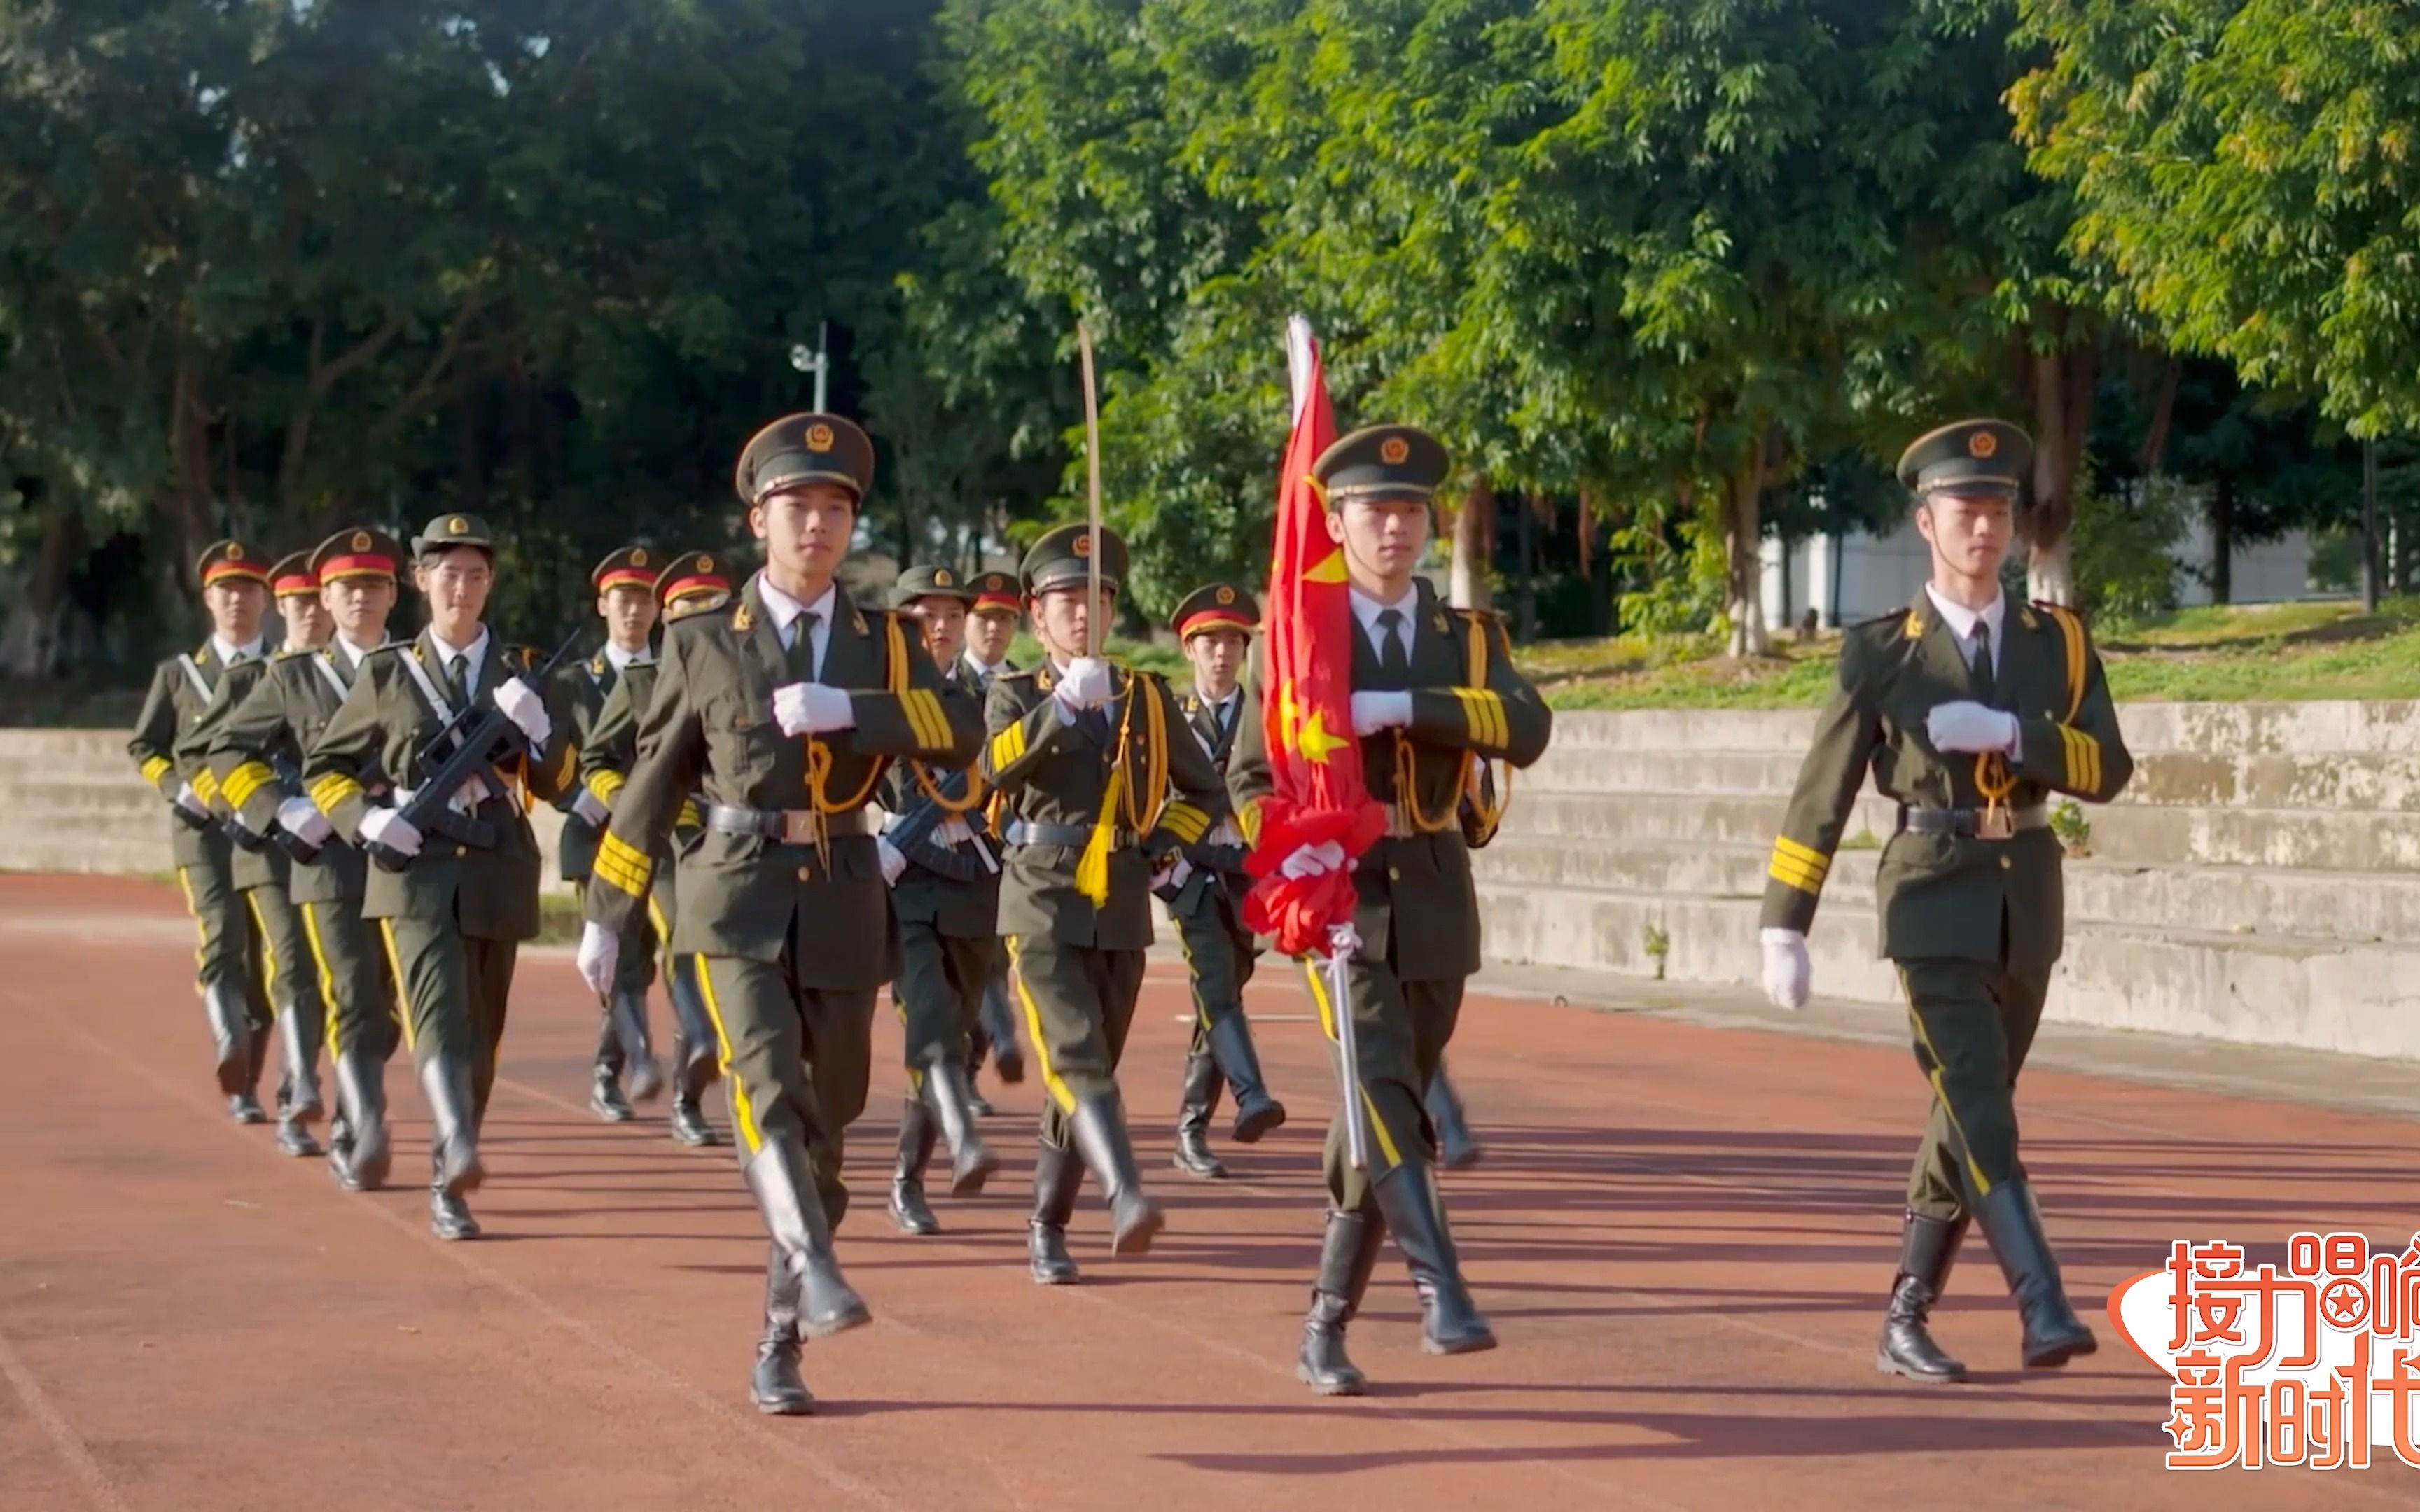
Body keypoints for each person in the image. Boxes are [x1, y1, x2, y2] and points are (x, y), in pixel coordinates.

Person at [571, 413, 981, 1415]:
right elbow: (655, 779)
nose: (818, 527)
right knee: (765, 1086)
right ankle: (825, 1272)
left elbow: (962, 734)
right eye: (799, 508)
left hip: (842, 894)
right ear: (760, 519)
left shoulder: (882, 641)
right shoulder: (706, 639)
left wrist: (859, 714)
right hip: (732, 892)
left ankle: (781, 1326)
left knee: (829, 1117)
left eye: (836, 510)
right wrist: (607, 909)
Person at [1757, 419, 2132, 1382]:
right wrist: (1783, 924)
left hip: (2025, 899)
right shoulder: (1884, 651)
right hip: (1929, 896)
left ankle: (1905, 1315)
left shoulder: (2060, 644)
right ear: (1926, 522)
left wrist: (2016, 732)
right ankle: (2042, 1302)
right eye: (1966, 510)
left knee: (1967, 1112)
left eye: (1999, 510)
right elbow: (1825, 789)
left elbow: (2110, 767)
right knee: (1978, 1104)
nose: (1986, 528)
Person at [1228, 424, 1552, 1396]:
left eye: (1411, 511)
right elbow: (1246, 776)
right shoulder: (1293, 637)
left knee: (1385, 1114)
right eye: (1375, 511)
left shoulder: (1467, 638)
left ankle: (1324, 1325)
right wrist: (1295, 846)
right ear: (1335, 522)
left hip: (1438, 889)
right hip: (1340, 899)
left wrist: (1418, 707)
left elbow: (1527, 727)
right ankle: (1440, 1289)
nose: (1396, 528)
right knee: (1377, 1090)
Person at [302, 512, 578, 1241]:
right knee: (437, 1014)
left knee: (482, 1035)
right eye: (448, 573)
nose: (463, 587)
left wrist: (543, 730)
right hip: (414, 874)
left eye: (476, 575)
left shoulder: (522, 668)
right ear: (421, 582)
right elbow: (325, 768)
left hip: (497, 868)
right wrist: (364, 820)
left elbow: (559, 781)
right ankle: (456, 1147)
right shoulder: (390, 672)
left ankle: (450, 1168)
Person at [977, 524, 1228, 1283]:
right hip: (1041, 894)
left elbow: (1206, 789)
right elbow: (987, 773)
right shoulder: (1014, 693)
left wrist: (1159, 849)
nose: (1084, 613)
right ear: (1035, 613)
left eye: (1099, 598)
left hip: (1119, 898)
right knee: (1076, 1052)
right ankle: (1125, 1194)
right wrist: (1058, 713)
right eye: (1066, 600)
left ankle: (1046, 1222)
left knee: (1088, 1067)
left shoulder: (1145, 697)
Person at [210, 528, 410, 1191]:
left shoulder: (416, 668)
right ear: (326, 597)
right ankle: (359, 1121)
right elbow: (227, 750)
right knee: (350, 991)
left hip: (407, 858)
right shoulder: (295, 676)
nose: (360, 598)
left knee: (387, 1007)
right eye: (348, 588)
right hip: (327, 862)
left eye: (374, 586)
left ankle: (360, 1096)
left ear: (392, 595)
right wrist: (279, 808)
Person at [576, 550, 733, 1148]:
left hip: (724, 843)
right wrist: (630, 804)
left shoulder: (747, 676)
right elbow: (596, 760)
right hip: (660, 846)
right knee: (668, 951)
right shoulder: (642, 682)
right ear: (669, 620)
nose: (701, 617)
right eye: (688, 609)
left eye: (711, 606)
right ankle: (662, 1065)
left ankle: (686, 1081)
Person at [190, 550, 336, 1158]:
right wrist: (258, 808)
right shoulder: (252, 680)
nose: (307, 613)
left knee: (344, 979)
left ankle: (319, 1090)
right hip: (270, 852)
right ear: (282, 609)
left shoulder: (355, 677)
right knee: (293, 961)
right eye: (295, 603)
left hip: (337, 850)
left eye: (314, 601)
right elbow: (207, 757)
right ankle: (297, 1094)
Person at [877, 564, 1005, 1234]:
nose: (944, 627)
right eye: (929, 616)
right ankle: (951, 1150)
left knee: (955, 1030)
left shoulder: (987, 697)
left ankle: (910, 1169)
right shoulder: (878, 697)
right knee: (927, 1019)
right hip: (906, 888)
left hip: (971, 883)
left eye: (954, 616)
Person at [130, 539, 274, 1121]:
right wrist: (175, 787)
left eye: (246, 589)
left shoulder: (284, 672)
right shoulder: (179, 675)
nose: (236, 600)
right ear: (208, 599)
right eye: (225, 590)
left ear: (264, 599)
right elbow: (144, 745)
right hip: (202, 829)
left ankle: (248, 1082)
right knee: (221, 933)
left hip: (263, 826)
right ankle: (229, 1045)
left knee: (268, 957)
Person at [1160, 582, 1285, 1180]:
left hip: (1249, 876)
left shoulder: (1265, 722)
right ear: (1189, 650)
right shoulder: (1169, 721)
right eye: (1209, 642)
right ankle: (1249, 1094)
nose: (1222, 653)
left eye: (1233, 641)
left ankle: (1190, 1128)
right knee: (1214, 983)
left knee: (1223, 994)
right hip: (1191, 872)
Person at [557, 545, 668, 1122]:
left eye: (645, 599)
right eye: (623, 598)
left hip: (665, 842)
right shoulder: (576, 683)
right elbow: (551, 757)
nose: (634, 610)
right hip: (597, 839)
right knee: (618, 960)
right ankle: (624, 1065)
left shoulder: (675, 672)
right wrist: (587, 797)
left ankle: (627, 1065)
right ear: (603, 604)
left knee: (655, 957)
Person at [960, 568, 1028, 1105]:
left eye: (1005, 619)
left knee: (995, 958)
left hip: (1005, 840)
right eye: (985, 618)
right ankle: (968, 1062)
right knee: (966, 959)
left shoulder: (1027, 688)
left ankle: (970, 1069)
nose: (995, 629)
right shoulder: (942, 680)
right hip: (946, 838)